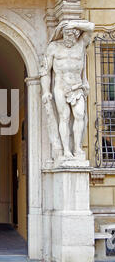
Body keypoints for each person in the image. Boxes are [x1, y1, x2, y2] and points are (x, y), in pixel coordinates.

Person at [41, 20, 95, 160]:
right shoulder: (54, 47)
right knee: (64, 117)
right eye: (65, 34)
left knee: (79, 115)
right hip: (60, 87)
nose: (68, 38)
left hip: (77, 87)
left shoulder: (81, 45)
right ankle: (66, 151)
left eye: (70, 34)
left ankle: (77, 148)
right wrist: (46, 90)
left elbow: (91, 27)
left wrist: (72, 23)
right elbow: (45, 71)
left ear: (76, 34)